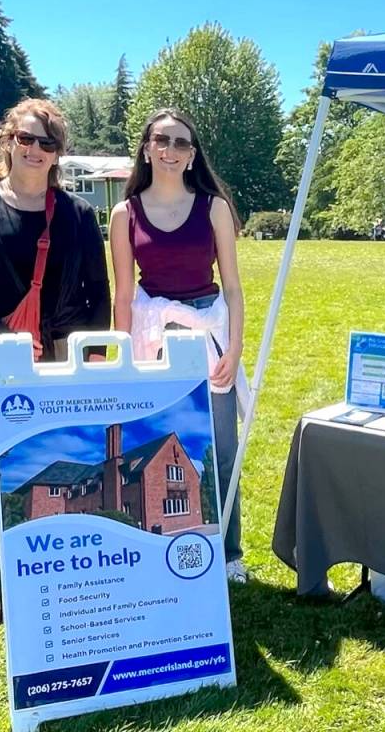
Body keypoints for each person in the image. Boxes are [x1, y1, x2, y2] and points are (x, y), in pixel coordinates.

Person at [0, 99, 111, 630]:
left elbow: (97, 294)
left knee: (59, 466)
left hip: (60, 357)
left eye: (48, 143)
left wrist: (85, 353)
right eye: (27, 139)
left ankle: (57, 574)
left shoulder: (77, 215)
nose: (36, 150)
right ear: (8, 141)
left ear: (59, 153)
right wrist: (5, 340)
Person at [109, 108, 249, 583]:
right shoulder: (124, 214)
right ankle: (164, 543)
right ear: (147, 148)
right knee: (160, 443)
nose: (170, 151)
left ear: (193, 156)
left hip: (208, 332)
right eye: (162, 141)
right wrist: (122, 357)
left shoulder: (214, 207)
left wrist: (235, 347)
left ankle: (229, 553)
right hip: (152, 336)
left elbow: (232, 287)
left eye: (181, 143)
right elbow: (124, 293)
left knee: (221, 447)